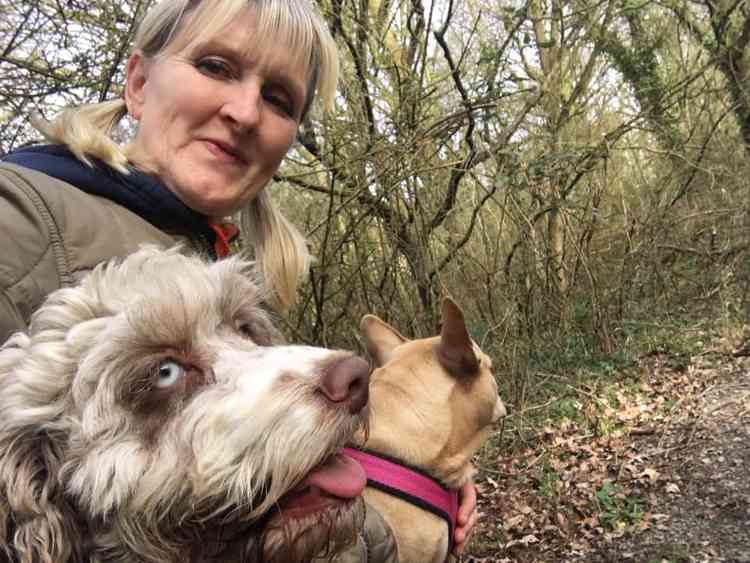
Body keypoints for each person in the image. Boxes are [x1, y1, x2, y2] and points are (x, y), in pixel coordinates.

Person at [0, 0, 477, 558]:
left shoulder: (202, 247)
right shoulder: (17, 220)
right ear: (138, 82)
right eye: (216, 67)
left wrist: (421, 477)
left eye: (278, 99)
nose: (246, 112)